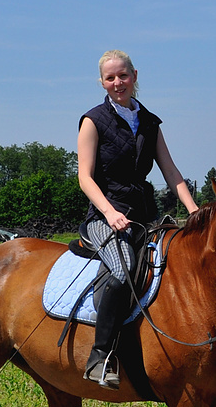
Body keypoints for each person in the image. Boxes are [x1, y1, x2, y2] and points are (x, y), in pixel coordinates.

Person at [77, 50, 199, 388]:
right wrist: (110, 212)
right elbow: (85, 178)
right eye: (110, 78)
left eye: (123, 76)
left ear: (134, 76)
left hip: (146, 217)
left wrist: (193, 210)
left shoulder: (150, 122)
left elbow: (171, 172)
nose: (118, 83)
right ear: (102, 82)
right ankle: (100, 357)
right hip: (105, 216)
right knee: (121, 269)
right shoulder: (93, 120)